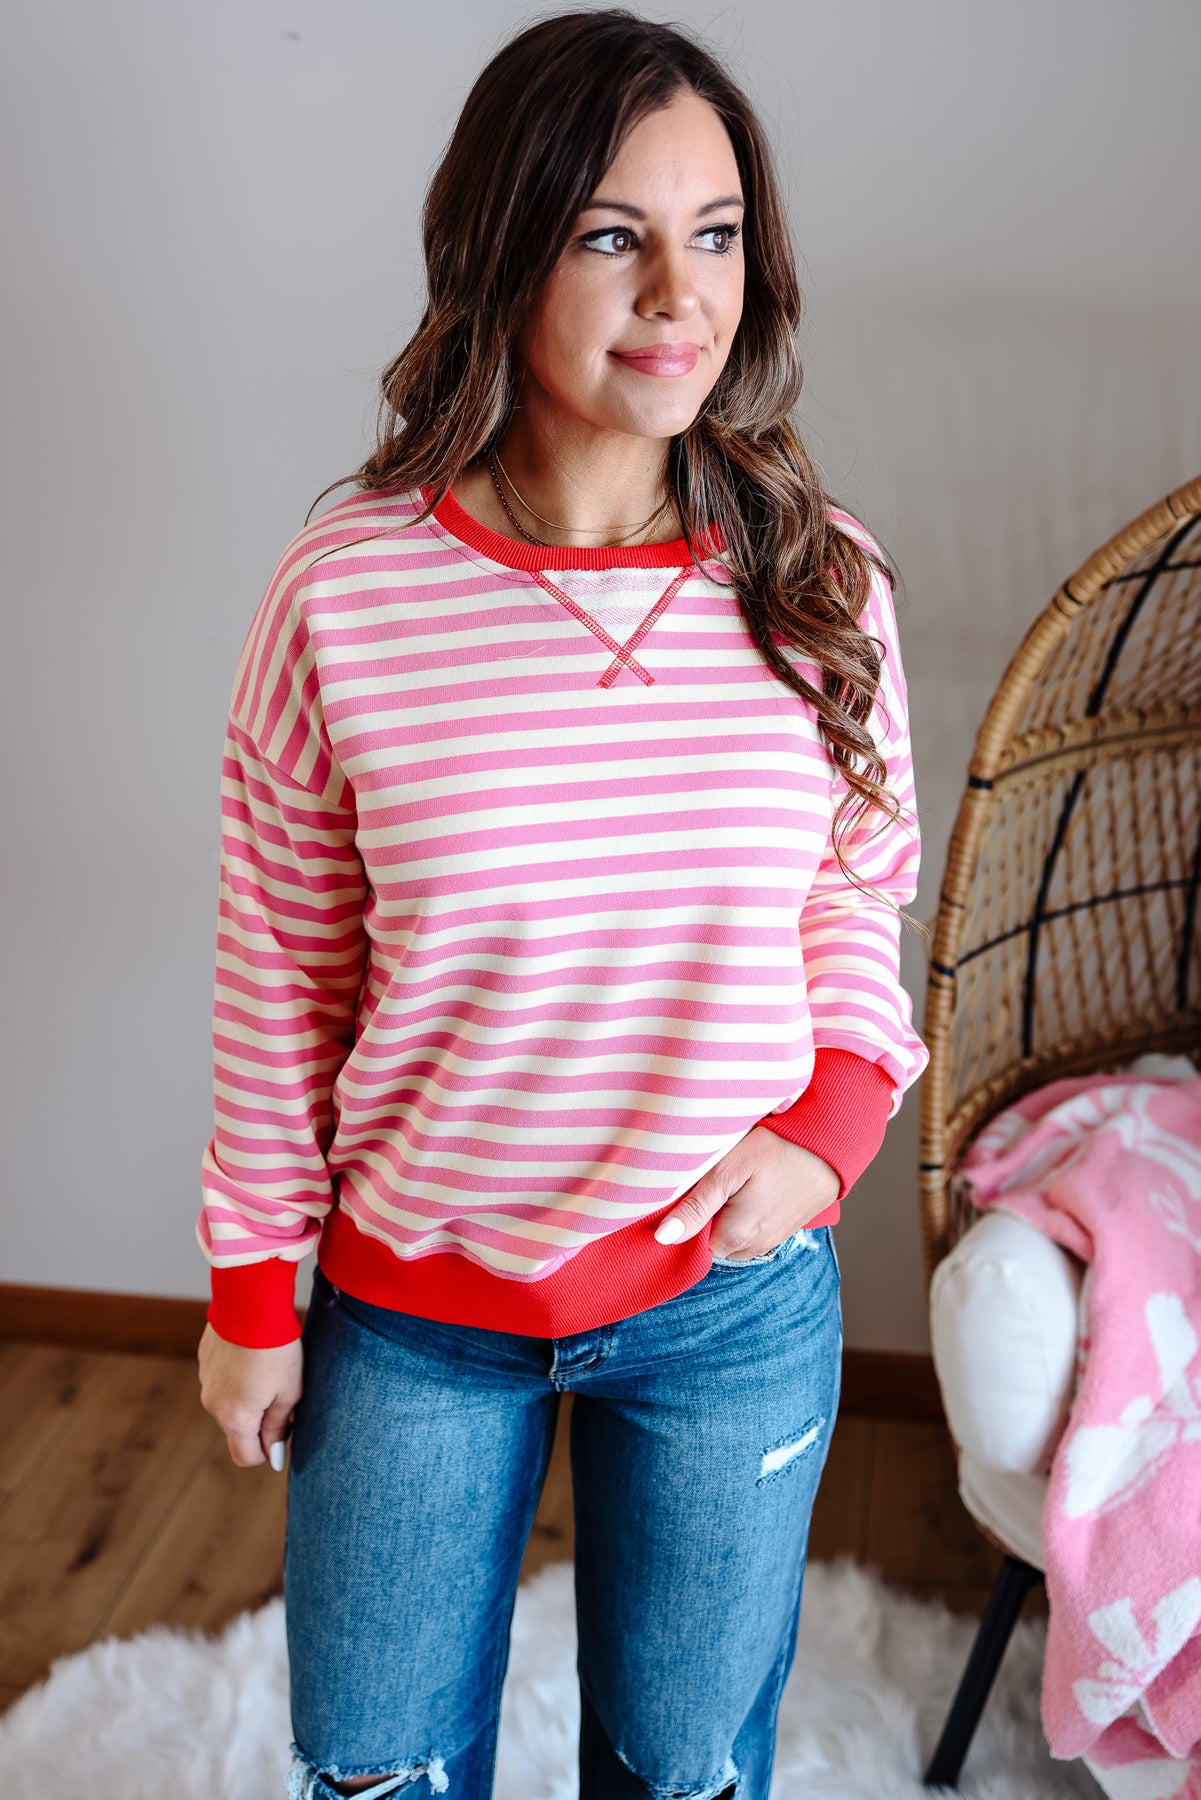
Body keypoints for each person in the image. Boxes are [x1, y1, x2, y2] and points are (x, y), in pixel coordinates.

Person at [196, 11, 928, 1798]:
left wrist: (832, 1129)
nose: (681, 294)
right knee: (373, 1771)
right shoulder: (347, 592)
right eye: (613, 235)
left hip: (728, 1295)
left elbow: (857, 884)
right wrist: (250, 1289)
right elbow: (281, 967)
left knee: (684, 1773)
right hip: (418, 1307)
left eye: (716, 233)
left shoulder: (818, 582)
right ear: (502, 250)